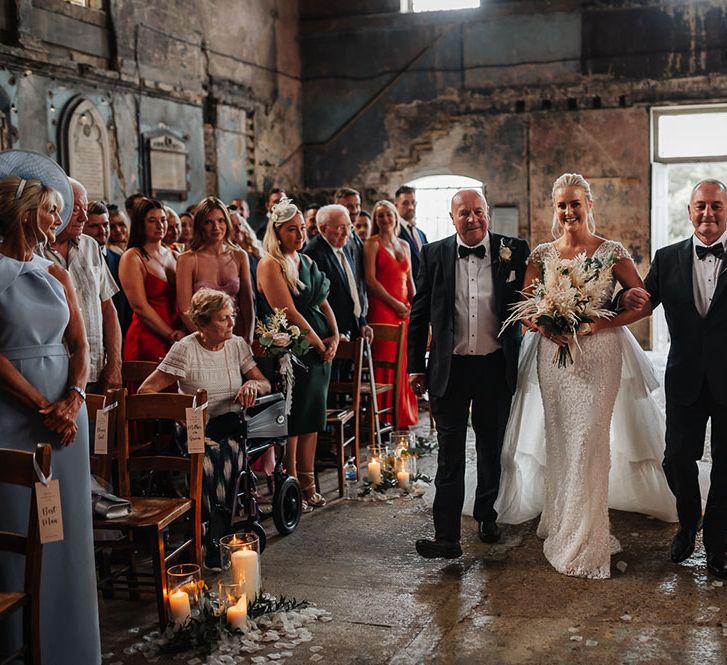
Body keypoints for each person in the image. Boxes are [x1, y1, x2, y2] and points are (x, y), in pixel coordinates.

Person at [486, 173, 676, 579]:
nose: (569, 211)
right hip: (555, 360)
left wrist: (597, 325)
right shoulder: (541, 254)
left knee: (589, 442)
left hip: (599, 355)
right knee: (561, 442)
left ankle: (583, 538)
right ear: (554, 210)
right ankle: (561, 520)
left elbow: (642, 304)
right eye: (561, 205)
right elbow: (527, 309)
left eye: (575, 203)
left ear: (589, 204)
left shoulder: (611, 252)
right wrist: (548, 325)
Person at [0, 151, 100, 664]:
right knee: (20, 525)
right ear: (26, 212)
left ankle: (70, 644)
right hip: (16, 416)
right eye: (51, 210)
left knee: (64, 530)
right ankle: (18, 643)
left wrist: (73, 397)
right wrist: (43, 403)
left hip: (67, 419)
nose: (58, 220)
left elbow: (80, 345)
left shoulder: (55, 271)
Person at [408, 188, 529, 559]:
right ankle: (446, 537)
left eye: (478, 212)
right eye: (464, 213)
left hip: (495, 367)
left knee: (491, 448)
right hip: (450, 369)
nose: (472, 219)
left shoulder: (515, 249)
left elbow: (532, 300)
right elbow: (419, 314)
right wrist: (415, 366)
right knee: (450, 455)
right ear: (452, 217)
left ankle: (487, 515)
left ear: (487, 213)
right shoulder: (434, 253)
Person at [622, 179, 727, 579]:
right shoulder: (667, 258)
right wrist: (614, 305)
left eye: (716, 206)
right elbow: (642, 302)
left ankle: (718, 543)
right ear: (689, 211)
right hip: (684, 377)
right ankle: (688, 524)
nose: (708, 214)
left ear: (726, 210)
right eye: (700, 206)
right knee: (677, 458)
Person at [138, 288, 271, 567]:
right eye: (224, 319)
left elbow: (264, 383)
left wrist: (251, 384)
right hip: (195, 430)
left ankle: (214, 534)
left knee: (229, 453)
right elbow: (146, 391)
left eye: (231, 316)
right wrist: (182, 414)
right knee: (210, 460)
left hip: (231, 426)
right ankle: (214, 535)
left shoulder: (236, 345)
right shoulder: (185, 349)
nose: (232, 324)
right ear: (202, 323)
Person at [257, 197, 338, 510]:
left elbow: (323, 301)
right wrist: (318, 343)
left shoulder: (307, 262)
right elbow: (288, 311)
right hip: (293, 350)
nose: (299, 235)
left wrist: (333, 336)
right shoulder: (270, 264)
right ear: (277, 232)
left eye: (302, 229)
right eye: (292, 230)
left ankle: (308, 480)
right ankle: (290, 483)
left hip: (319, 350)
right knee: (293, 420)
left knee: (313, 418)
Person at [42, 179, 122, 394]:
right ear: (56, 207)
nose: (84, 218)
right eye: (76, 209)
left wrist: (114, 363)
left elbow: (108, 308)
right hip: (53, 374)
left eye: (85, 209)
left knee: (99, 428)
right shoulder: (34, 252)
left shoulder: (90, 246)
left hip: (95, 368)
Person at [364, 200, 418, 428]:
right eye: (380, 216)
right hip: (382, 310)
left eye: (388, 215)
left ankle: (402, 414)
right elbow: (370, 280)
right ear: (375, 221)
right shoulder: (372, 244)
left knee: (405, 362)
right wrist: (394, 303)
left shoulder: (404, 245)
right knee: (385, 360)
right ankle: (383, 417)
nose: (385, 220)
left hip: (404, 310)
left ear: (395, 217)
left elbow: (410, 281)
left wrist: (417, 308)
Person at [176, 197, 254, 343]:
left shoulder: (239, 256)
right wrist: (207, 338)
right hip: (201, 337)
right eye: (208, 222)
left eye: (221, 220)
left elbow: (247, 302)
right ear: (200, 225)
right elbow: (185, 310)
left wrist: (248, 337)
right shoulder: (187, 260)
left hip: (236, 335)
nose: (216, 227)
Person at [119, 198, 184, 363]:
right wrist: (170, 334)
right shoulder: (132, 257)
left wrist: (182, 331)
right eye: (152, 221)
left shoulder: (174, 255)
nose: (160, 225)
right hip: (147, 336)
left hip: (178, 335)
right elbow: (139, 307)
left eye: (163, 220)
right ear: (141, 224)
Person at [303, 204, 372, 342]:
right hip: (331, 334)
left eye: (349, 226)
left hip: (353, 327)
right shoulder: (313, 253)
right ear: (323, 229)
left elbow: (352, 287)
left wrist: (362, 321)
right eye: (341, 228)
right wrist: (334, 332)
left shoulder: (346, 246)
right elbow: (318, 300)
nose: (347, 233)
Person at [83, 200, 132, 338]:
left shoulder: (119, 260)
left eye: (105, 225)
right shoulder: (74, 260)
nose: (102, 231)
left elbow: (125, 305)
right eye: (94, 226)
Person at [395, 185, 428, 279]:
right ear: (396, 205)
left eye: (413, 202)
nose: (410, 207)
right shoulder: (394, 232)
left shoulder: (421, 234)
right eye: (405, 203)